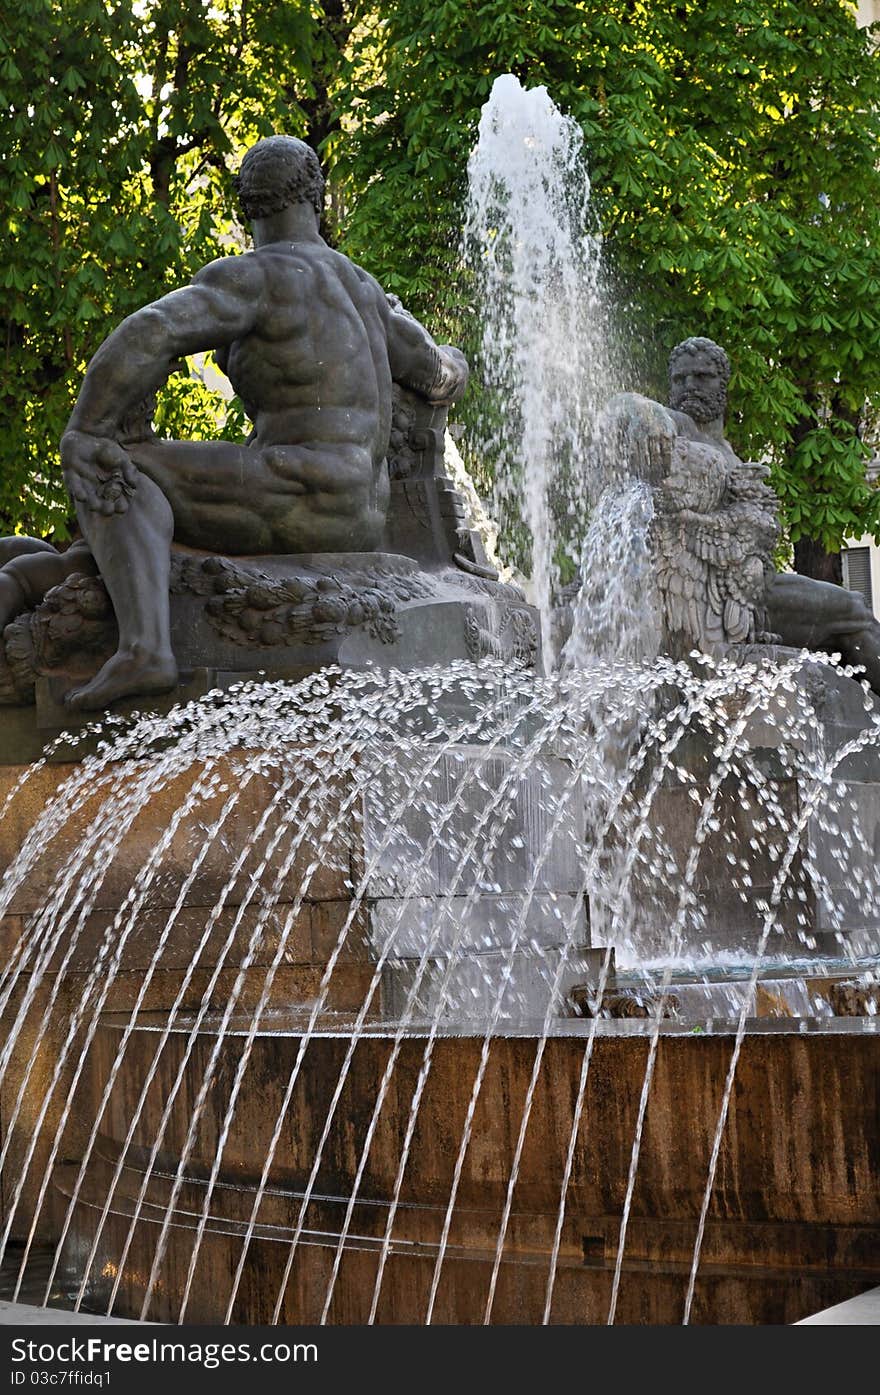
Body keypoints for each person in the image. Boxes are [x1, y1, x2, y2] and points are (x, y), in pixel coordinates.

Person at [56, 135, 468, 710]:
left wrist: (87, 429)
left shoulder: (254, 277)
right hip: (362, 516)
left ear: (245, 206)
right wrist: (455, 361)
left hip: (300, 495)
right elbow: (439, 374)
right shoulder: (366, 290)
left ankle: (144, 649)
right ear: (318, 197)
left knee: (115, 465)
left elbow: (151, 332)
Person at [608, 336, 880, 694]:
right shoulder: (676, 428)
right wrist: (642, 411)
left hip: (746, 586)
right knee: (851, 609)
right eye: (680, 379)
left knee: (846, 624)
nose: (689, 386)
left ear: (724, 384)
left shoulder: (725, 448)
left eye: (702, 377)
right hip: (719, 591)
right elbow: (620, 408)